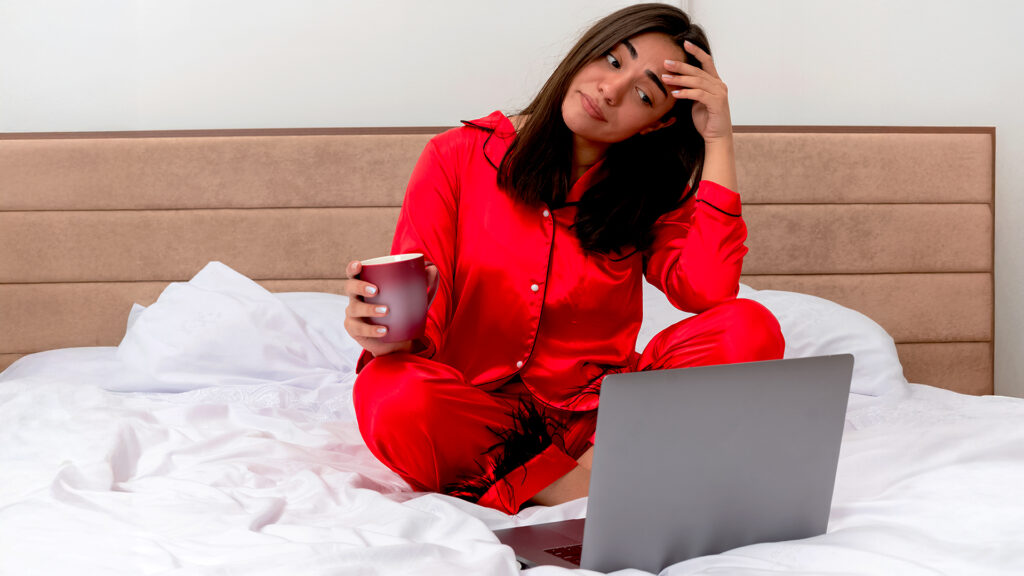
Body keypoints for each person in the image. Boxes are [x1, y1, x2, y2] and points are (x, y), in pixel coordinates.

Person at [343, 3, 784, 514]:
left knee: (749, 326)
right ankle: (588, 492)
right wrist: (381, 335)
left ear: (656, 125)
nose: (610, 90)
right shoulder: (456, 156)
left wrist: (718, 139)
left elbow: (707, 290)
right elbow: (421, 325)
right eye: (613, 60)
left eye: (643, 95)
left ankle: (562, 484)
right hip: (481, 418)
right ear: (585, 53)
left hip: (602, 421)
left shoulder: (646, 195)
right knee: (389, 393)